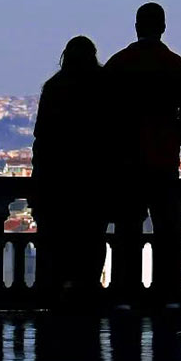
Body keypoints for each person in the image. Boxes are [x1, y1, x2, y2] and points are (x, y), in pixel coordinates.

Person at [104, 2, 181, 306]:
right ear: (162, 28)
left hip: (126, 163)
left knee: (127, 231)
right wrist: (175, 137)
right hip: (162, 161)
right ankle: (167, 293)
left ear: (136, 27)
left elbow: (99, 111)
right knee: (167, 230)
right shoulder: (174, 64)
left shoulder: (119, 64)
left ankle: (126, 292)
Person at [32, 35, 108, 306]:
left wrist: (39, 178)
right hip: (93, 179)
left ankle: (59, 294)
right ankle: (87, 290)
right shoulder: (103, 85)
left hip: (58, 179)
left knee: (58, 243)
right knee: (91, 241)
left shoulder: (54, 88)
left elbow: (41, 138)